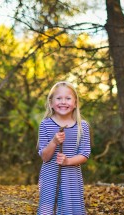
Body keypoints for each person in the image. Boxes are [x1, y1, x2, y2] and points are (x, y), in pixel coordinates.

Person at [37, 81, 91, 215]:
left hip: (72, 177)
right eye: (59, 98)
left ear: (75, 103)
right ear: (51, 103)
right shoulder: (45, 124)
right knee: (48, 209)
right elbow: (44, 157)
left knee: (70, 209)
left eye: (68, 98)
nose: (63, 102)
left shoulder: (81, 126)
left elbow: (85, 154)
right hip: (50, 177)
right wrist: (54, 142)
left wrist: (68, 161)